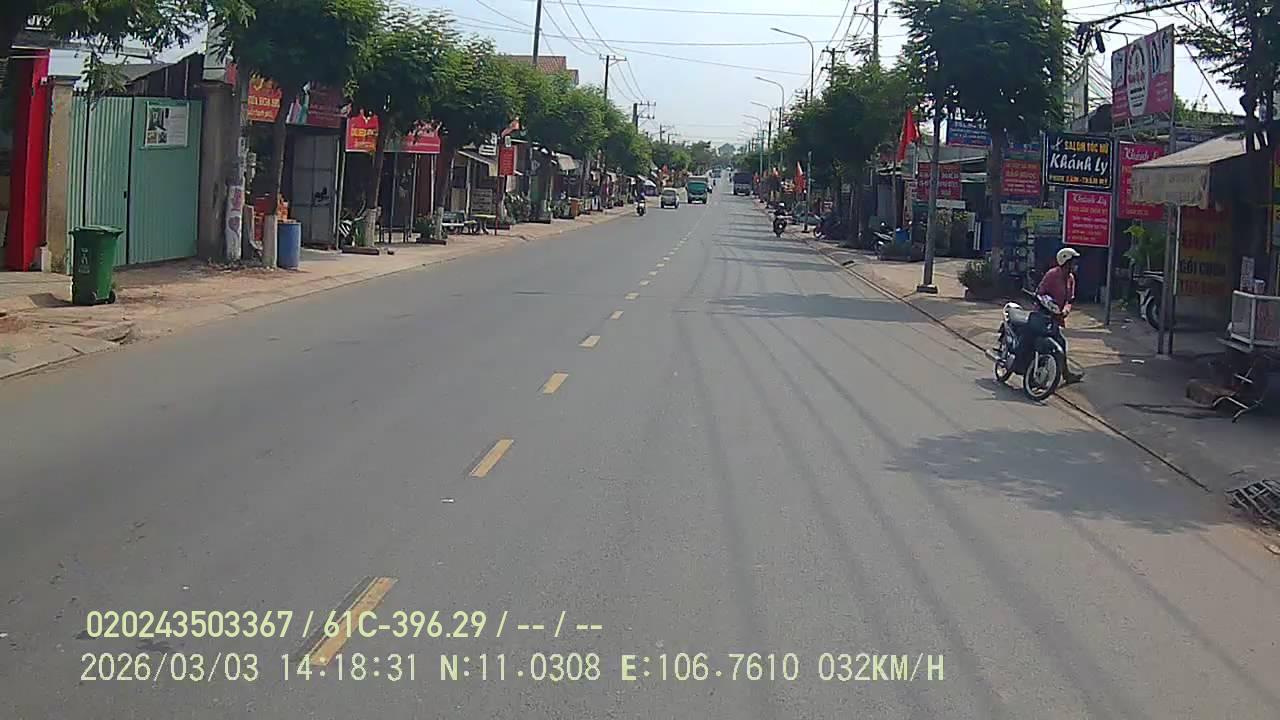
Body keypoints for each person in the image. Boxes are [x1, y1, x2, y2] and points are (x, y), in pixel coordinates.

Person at [1037, 247, 1084, 384]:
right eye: (1073, 262)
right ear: (1065, 262)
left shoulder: (1071, 279)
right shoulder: (1052, 274)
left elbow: (1069, 300)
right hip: (1043, 314)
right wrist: (1048, 304)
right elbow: (1040, 292)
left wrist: (1066, 310)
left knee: (1061, 343)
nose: (1075, 266)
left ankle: (1065, 373)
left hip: (1057, 318)